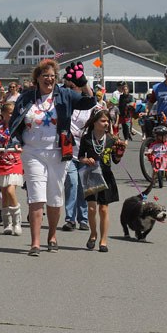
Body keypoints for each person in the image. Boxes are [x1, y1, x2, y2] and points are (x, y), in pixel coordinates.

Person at [8, 59, 96, 257]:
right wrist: (14, 140)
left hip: (58, 152)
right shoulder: (26, 97)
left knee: (55, 197)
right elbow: (14, 123)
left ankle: (52, 236)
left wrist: (83, 83)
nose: (49, 79)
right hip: (32, 152)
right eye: (45, 75)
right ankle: (35, 242)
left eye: (52, 76)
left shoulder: (65, 94)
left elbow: (90, 102)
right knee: (36, 196)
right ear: (37, 78)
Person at [78, 109, 126, 252]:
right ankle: (93, 234)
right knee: (92, 208)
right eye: (103, 121)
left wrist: (119, 154)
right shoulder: (86, 138)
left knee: (103, 209)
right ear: (95, 122)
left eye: (107, 121)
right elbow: (80, 156)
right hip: (91, 175)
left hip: (106, 175)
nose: (106, 124)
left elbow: (116, 161)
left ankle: (103, 241)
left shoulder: (112, 139)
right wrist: (86, 160)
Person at [0, 103, 24, 234]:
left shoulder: (20, 126)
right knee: (4, 193)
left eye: (14, 113)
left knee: (10, 190)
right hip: (1, 161)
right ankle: (7, 223)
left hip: (15, 161)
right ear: (3, 113)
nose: (12, 115)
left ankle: (17, 222)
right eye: (9, 113)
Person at [61, 79, 93, 233]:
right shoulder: (65, 104)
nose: (71, 89)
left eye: (74, 86)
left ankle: (84, 218)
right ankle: (70, 219)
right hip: (70, 152)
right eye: (68, 87)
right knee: (72, 183)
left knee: (83, 186)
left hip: (86, 152)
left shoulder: (90, 106)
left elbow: (101, 118)